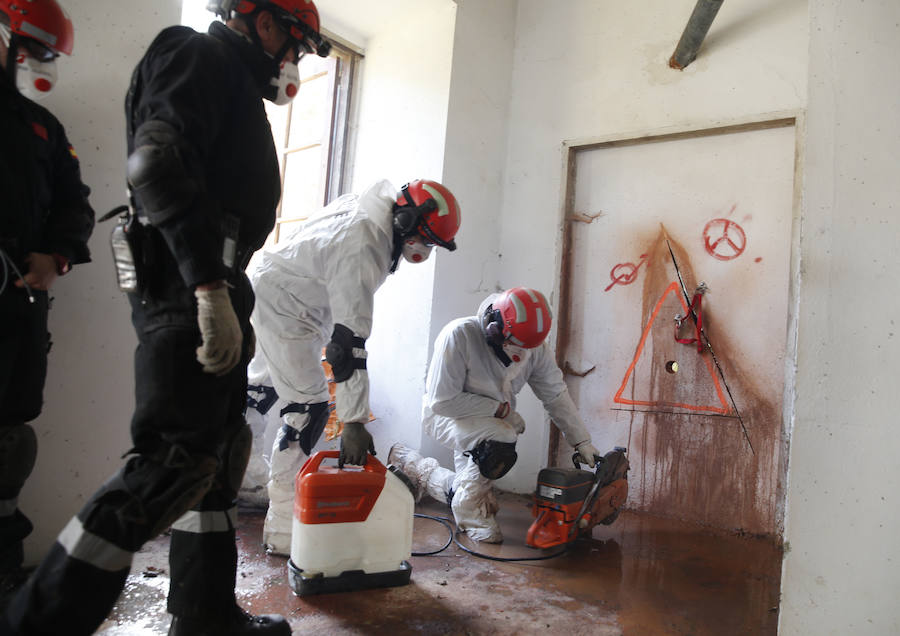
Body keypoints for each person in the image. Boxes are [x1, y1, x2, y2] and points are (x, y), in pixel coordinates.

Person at [2, 1, 331, 634]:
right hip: (187, 280)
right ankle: (33, 623)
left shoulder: (232, 83)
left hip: (217, 280)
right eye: (295, 44)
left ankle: (204, 616)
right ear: (264, 22)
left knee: (217, 456)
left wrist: (223, 289)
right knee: (170, 464)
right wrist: (206, 286)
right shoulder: (195, 54)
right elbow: (156, 162)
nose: (292, 61)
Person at [247, 178, 462, 555]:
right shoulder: (364, 243)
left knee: (260, 393)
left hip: (278, 290)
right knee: (307, 409)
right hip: (287, 306)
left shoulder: (370, 209)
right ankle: (283, 527)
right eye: (424, 240)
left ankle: (244, 482)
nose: (423, 250)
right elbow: (347, 347)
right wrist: (354, 422)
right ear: (406, 220)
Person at [0, 0, 94, 593]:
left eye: (45, 53)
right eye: (33, 48)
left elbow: (74, 204)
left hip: (18, 311)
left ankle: (5, 568)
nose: (39, 62)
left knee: (11, 436)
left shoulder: (42, 127)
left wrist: (54, 255)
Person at [389, 287, 601, 544]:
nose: (517, 354)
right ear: (494, 325)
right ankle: (468, 514)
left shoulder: (534, 349)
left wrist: (582, 441)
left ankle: (411, 464)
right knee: (500, 442)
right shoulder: (460, 335)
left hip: (488, 424)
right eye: (512, 344)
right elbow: (442, 402)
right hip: (447, 417)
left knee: (469, 486)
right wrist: (500, 411)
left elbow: (555, 395)